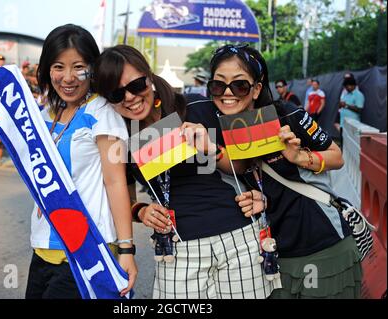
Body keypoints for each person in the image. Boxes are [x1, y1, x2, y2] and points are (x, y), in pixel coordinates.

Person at [95, 45, 274, 299]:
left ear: (149, 76)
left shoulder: (197, 107)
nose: (130, 98)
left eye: (136, 86)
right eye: (116, 94)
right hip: (178, 248)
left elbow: (244, 165)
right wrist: (141, 211)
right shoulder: (118, 137)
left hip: (238, 238)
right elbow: (120, 192)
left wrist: (212, 149)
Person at [206, 44, 361, 299]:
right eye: (218, 85)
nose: (228, 93)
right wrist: (260, 198)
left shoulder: (287, 115)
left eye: (240, 85)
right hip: (274, 256)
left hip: (321, 244)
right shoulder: (219, 130)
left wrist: (300, 157)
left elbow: (337, 156)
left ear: (256, 89)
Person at [25, 24, 137, 299]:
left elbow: (115, 182)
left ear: (92, 68)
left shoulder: (101, 112)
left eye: (78, 66)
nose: (68, 77)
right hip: (44, 247)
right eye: (58, 67)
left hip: (86, 250)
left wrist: (126, 250)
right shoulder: (45, 114)